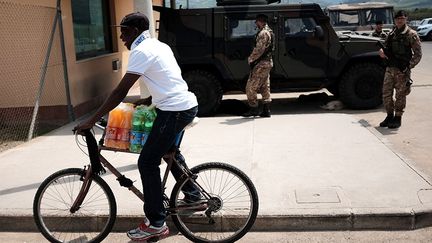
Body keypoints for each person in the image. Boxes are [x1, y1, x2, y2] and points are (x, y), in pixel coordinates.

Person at [73, 12, 199, 241]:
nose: (121, 36)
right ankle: (192, 194)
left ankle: (156, 223)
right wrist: (148, 100)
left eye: (124, 30)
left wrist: (92, 119)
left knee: (147, 161)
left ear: (135, 30)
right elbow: (167, 79)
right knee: (168, 152)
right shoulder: (158, 45)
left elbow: (120, 91)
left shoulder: (141, 51)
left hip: (175, 110)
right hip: (182, 105)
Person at [378, 10, 422, 129]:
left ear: (406, 19)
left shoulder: (411, 34)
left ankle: (398, 117)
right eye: (398, 19)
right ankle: (389, 116)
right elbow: (386, 47)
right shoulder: (392, 33)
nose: (399, 20)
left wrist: (408, 66)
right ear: (394, 20)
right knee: (386, 94)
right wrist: (382, 52)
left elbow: (418, 54)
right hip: (390, 68)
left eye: (402, 18)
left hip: (402, 70)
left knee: (400, 95)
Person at [243, 14, 274, 118]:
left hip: (261, 63)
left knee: (250, 87)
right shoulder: (268, 31)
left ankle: (253, 109)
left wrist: (251, 59)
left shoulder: (263, 33)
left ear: (261, 21)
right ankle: (266, 110)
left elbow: (259, 49)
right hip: (266, 63)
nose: (256, 23)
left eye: (257, 21)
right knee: (265, 86)